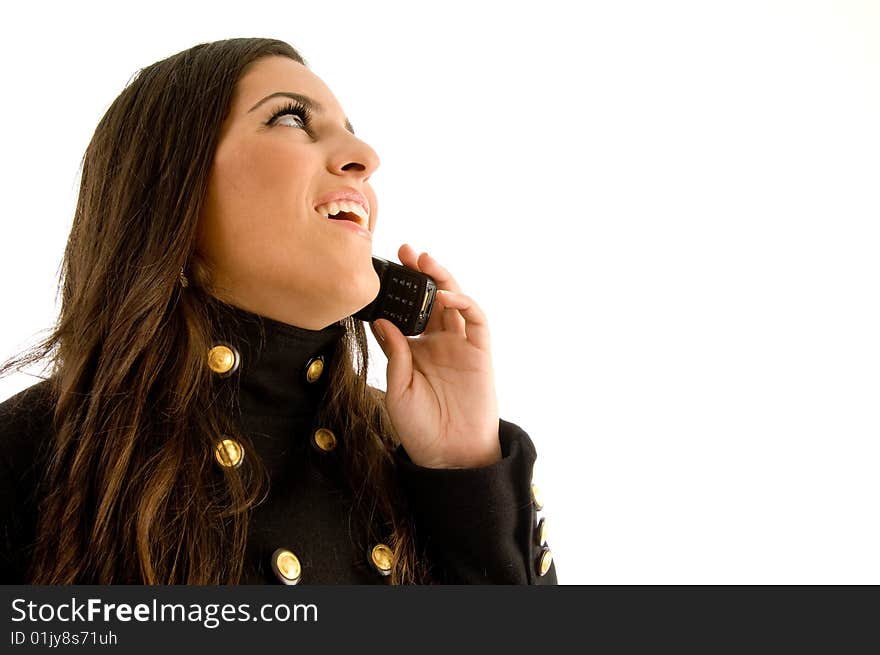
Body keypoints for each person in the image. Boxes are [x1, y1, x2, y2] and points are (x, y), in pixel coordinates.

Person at [0, 37, 557, 585]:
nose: (366, 160)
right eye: (292, 121)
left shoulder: (412, 453)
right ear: (170, 189)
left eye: (352, 136)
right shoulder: (29, 456)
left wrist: (466, 471)